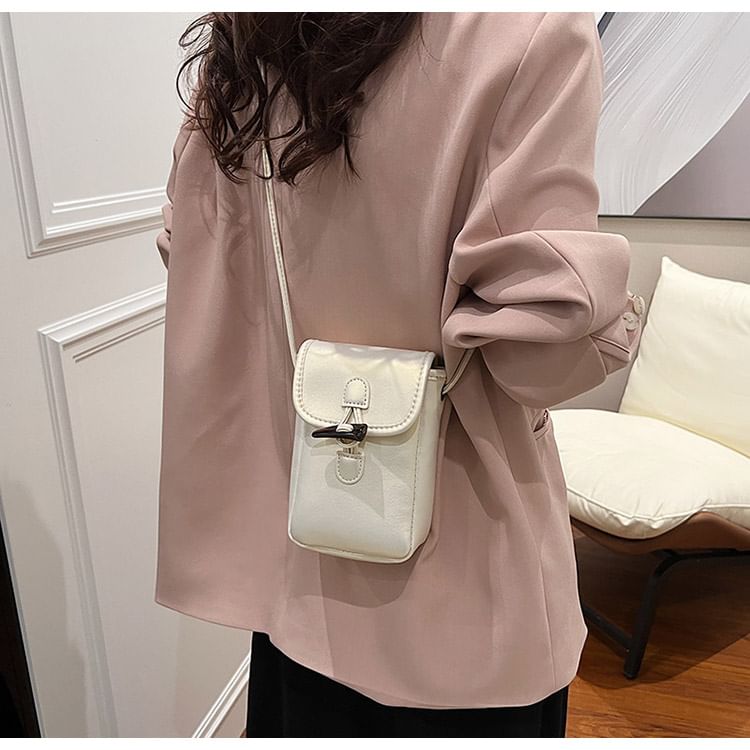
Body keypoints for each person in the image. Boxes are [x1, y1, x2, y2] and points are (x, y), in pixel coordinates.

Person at [154, 12, 643, 738]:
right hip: (465, 593)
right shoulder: (531, 31)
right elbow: (533, 356)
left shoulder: (245, 46)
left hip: (303, 562)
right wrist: (616, 316)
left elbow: (186, 251)